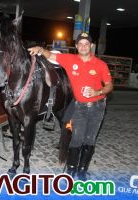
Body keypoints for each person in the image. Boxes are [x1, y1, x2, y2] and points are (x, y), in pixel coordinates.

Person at [28, 32, 113, 180]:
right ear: (76, 46)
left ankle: (82, 170)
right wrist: (40, 49)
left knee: (90, 140)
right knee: (76, 139)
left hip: (98, 107)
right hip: (80, 107)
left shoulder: (101, 64)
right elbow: (50, 56)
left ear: (91, 46)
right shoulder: (69, 59)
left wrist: (97, 91)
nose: (83, 46)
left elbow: (109, 85)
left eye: (86, 44)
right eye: (80, 44)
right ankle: (71, 169)